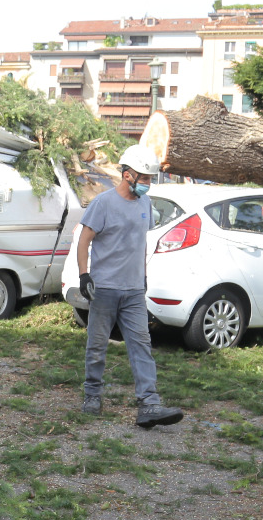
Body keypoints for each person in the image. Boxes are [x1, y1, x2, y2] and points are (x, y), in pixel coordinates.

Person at [75, 144, 183, 428]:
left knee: (142, 345)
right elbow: (84, 240)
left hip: (134, 290)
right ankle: (92, 395)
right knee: (97, 345)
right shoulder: (104, 204)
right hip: (105, 289)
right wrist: (84, 276)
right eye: (144, 178)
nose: (148, 184)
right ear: (127, 174)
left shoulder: (145, 203)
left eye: (150, 178)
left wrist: (143, 278)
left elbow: (139, 244)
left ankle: (149, 404)